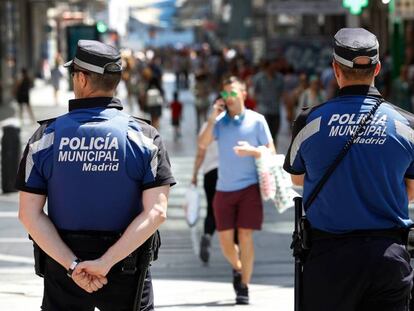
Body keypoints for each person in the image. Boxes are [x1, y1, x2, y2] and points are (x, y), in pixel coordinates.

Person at [16, 40, 175, 311]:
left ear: (81, 78)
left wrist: (74, 265)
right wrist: (106, 262)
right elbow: (157, 211)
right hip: (127, 266)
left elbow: (28, 214)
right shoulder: (145, 138)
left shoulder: (45, 138)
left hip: (64, 268)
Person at [284, 28, 414, 311]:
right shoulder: (406, 124)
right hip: (388, 259)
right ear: (377, 68)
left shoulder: (310, 121)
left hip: (329, 260)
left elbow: (297, 177)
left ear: (335, 69)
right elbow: (412, 192)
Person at [199, 76, 275, 304]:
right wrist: (212, 118)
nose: (229, 98)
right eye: (225, 94)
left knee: (245, 235)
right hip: (224, 189)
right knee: (224, 241)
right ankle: (238, 268)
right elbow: (202, 144)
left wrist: (252, 151)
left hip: (249, 187)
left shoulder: (257, 120)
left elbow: (271, 151)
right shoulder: (219, 123)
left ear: (243, 94)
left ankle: (244, 286)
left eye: (233, 93)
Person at [191, 122, 219, 263]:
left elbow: (200, 153)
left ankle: (208, 234)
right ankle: (236, 243)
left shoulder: (207, 126)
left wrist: (195, 174)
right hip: (230, 174)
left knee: (211, 209)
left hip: (210, 173)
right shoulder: (235, 123)